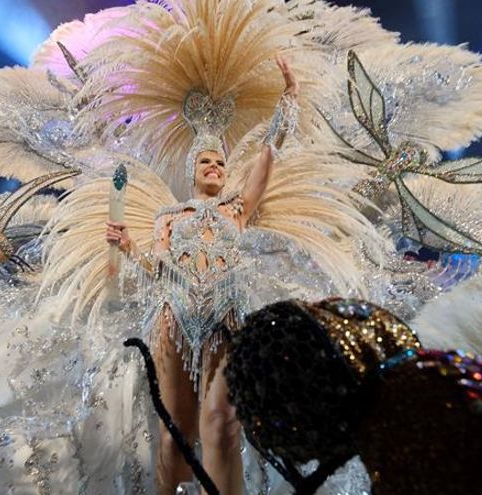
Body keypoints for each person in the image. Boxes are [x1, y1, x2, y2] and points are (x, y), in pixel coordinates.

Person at [105, 56, 298, 495]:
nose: (215, 166)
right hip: (173, 320)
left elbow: (268, 158)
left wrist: (289, 98)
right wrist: (129, 245)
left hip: (227, 320)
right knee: (175, 435)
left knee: (222, 427)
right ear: (193, 168)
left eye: (221, 163)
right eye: (206, 161)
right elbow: (157, 268)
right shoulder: (168, 216)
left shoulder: (237, 209)